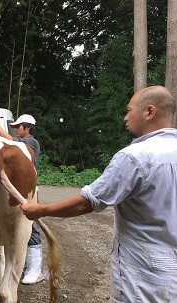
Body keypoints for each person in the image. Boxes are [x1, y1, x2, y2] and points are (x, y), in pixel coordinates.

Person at [21, 85, 177, 302]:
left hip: (142, 277)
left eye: (129, 110)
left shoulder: (134, 157)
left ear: (149, 112)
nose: (125, 117)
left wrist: (41, 209)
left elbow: (88, 202)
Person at [0, 113, 48, 284]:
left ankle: (35, 269)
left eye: (18, 127)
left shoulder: (30, 143)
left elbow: (13, 143)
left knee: (31, 226)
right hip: (17, 188)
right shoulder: (23, 142)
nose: (15, 130)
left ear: (27, 128)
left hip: (27, 190)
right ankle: (26, 267)